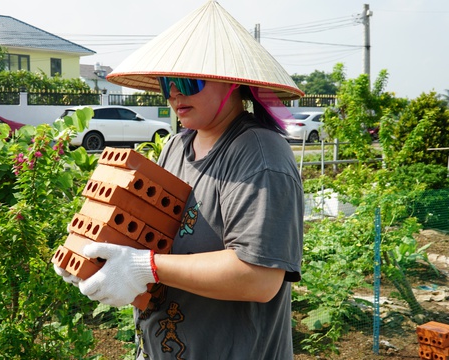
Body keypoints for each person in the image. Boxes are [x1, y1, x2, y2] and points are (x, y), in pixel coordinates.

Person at [56, 1, 304, 358]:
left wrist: (144, 266)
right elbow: (146, 230)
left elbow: (258, 278)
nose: (174, 93)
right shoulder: (176, 145)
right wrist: (88, 254)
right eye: (166, 83)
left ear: (232, 83)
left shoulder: (259, 156)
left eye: (187, 81)